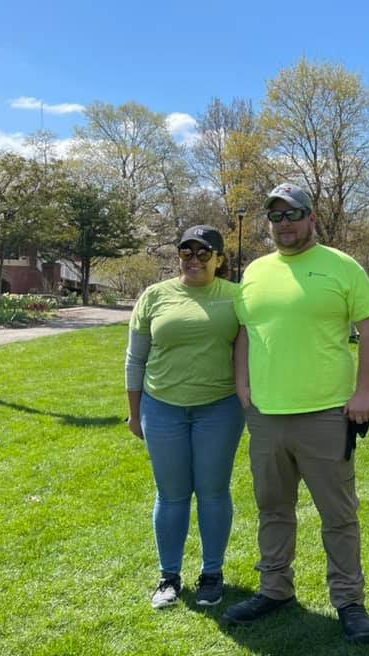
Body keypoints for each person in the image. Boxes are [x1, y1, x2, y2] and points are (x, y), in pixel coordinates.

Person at [225, 183, 369, 646]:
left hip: (326, 415)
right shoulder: (254, 272)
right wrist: (243, 385)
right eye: (275, 216)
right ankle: (275, 590)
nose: (284, 224)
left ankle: (349, 601)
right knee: (273, 510)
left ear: (311, 217)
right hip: (267, 417)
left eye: (292, 214)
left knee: (338, 515)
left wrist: (364, 391)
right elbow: (244, 333)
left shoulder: (341, 267)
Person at [125, 225, 244, 609]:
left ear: (220, 259)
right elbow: (135, 358)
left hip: (220, 408)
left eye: (203, 252)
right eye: (186, 252)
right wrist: (134, 412)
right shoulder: (155, 295)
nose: (193, 259)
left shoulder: (236, 297)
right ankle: (169, 577)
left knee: (212, 491)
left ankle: (212, 574)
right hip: (162, 408)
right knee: (172, 494)